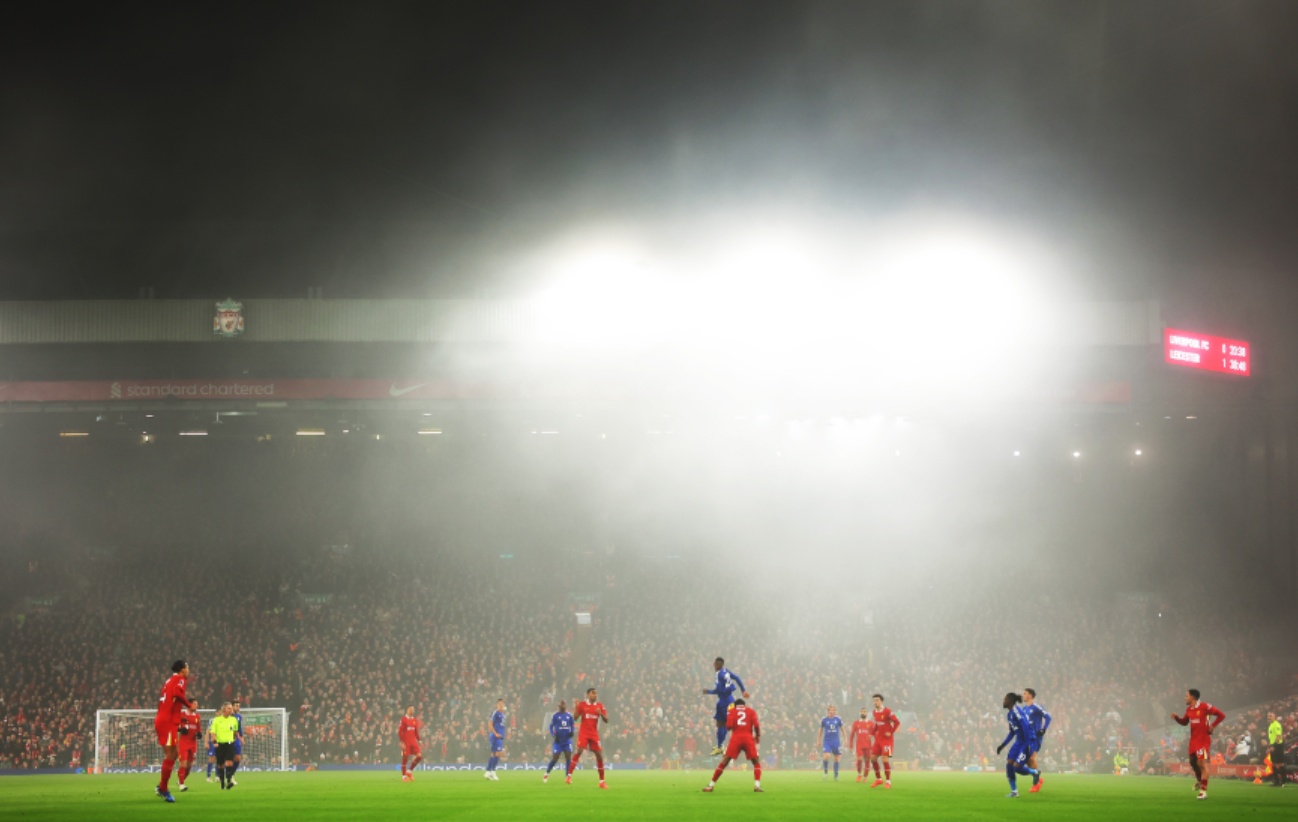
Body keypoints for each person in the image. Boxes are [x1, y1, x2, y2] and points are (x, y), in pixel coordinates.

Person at [1171, 688, 1225, 800]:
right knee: (1192, 762)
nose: (1185, 697)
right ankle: (1200, 781)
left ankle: (1203, 791)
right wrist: (1176, 718)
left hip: (1203, 740)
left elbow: (1221, 715)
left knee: (1202, 763)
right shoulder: (1189, 709)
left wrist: (1212, 726)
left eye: (1186, 695)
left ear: (1193, 697)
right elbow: (1184, 722)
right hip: (1193, 740)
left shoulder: (1205, 707)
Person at [153, 659, 195, 803]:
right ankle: (163, 788)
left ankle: (162, 786)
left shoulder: (169, 680)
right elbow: (177, 694)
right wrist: (189, 705)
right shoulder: (180, 679)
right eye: (188, 667)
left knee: (172, 753)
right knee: (171, 754)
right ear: (183, 669)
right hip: (167, 721)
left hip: (163, 718)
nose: (188, 670)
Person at [703, 698, 763, 792]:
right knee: (756, 761)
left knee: (725, 761)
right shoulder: (751, 711)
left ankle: (710, 785)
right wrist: (758, 736)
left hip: (736, 738)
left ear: (735, 705)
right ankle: (757, 786)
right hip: (748, 738)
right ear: (744, 705)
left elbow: (729, 726)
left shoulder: (732, 711)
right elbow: (756, 725)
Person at [996, 692, 1041, 798]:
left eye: (1005, 699)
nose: (1004, 701)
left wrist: (1028, 743)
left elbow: (1025, 725)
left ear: (1010, 700)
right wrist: (1002, 745)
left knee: (1017, 767)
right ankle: (1014, 791)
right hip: (1019, 741)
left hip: (1026, 741)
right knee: (1009, 764)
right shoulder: (1009, 714)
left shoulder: (1016, 710)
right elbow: (1012, 732)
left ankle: (1034, 772)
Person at [702, 657, 749, 756]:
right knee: (723, 724)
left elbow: (719, 690)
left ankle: (726, 747)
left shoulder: (719, 675)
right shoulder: (726, 671)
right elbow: (737, 678)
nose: (713, 665)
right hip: (730, 700)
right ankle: (721, 746)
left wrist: (708, 691)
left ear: (719, 665)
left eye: (715, 663)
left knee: (722, 725)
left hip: (724, 702)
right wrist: (743, 690)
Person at [566, 687, 609, 789]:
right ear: (588, 694)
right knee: (579, 751)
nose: (595, 695)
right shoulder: (582, 705)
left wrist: (601, 714)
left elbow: (607, 720)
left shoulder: (600, 706)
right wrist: (576, 707)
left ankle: (602, 782)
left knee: (599, 755)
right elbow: (575, 718)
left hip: (594, 734)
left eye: (596, 693)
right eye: (593, 693)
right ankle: (569, 776)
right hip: (584, 733)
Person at [869, 693, 901, 788]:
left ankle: (888, 782)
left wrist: (890, 732)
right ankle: (879, 779)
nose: (875, 702)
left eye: (877, 700)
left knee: (884, 759)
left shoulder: (887, 711)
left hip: (887, 740)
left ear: (881, 701)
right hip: (878, 739)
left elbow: (897, 722)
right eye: (874, 700)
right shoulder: (874, 712)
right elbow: (876, 725)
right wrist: (871, 733)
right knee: (873, 759)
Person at [209, 702, 240, 790]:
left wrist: (233, 739)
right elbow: (213, 732)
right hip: (220, 744)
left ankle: (229, 780)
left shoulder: (234, 720)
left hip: (230, 743)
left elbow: (235, 731)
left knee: (229, 762)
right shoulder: (217, 720)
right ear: (223, 710)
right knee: (221, 765)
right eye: (229, 708)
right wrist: (214, 741)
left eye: (231, 708)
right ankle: (222, 782)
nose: (231, 710)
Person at [543, 700, 575, 783]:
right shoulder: (555, 716)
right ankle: (546, 773)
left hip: (567, 741)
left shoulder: (569, 716)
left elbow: (572, 725)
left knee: (568, 756)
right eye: (561, 705)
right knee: (555, 758)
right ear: (559, 706)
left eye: (564, 705)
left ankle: (567, 777)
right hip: (558, 741)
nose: (563, 706)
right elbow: (551, 727)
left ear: (566, 706)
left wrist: (572, 732)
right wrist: (553, 734)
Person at [1022, 688, 1051, 773]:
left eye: (1025, 693)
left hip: (1036, 736)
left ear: (1030, 695)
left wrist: (1043, 729)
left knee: (1031, 758)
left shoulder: (1037, 707)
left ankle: (1037, 781)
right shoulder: (1024, 709)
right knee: (1028, 760)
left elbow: (1048, 717)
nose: (1023, 695)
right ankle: (1037, 774)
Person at [175, 700, 201, 792]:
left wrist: (199, 733)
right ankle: (181, 784)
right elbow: (175, 725)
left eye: (196, 704)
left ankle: (180, 780)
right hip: (183, 743)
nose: (196, 706)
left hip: (193, 744)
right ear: (189, 705)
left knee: (189, 767)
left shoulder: (197, 716)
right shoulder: (182, 714)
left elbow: (198, 727)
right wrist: (180, 729)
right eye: (194, 704)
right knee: (183, 764)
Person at [816, 705, 844, 781]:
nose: (831, 712)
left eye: (833, 710)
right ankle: (825, 772)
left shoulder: (838, 719)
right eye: (830, 710)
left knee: (836, 759)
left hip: (836, 741)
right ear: (827, 711)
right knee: (827, 756)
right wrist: (818, 740)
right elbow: (820, 730)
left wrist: (846, 739)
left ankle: (836, 776)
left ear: (835, 711)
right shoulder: (824, 720)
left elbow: (842, 729)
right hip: (827, 741)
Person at [849, 707, 875, 783]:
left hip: (868, 746)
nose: (863, 713)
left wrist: (876, 745)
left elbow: (875, 734)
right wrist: (851, 746)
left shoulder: (870, 723)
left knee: (867, 761)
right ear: (860, 713)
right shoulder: (856, 723)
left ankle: (865, 777)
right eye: (862, 711)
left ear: (867, 713)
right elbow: (852, 735)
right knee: (859, 759)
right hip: (859, 745)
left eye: (865, 711)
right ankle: (859, 774)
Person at [398, 705, 423, 781]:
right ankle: (404, 776)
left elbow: (416, 732)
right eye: (411, 709)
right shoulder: (403, 719)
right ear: (407, 710)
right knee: (405, 758)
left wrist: (419, 740)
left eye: (413, 709)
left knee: (419, 756)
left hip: (413, 742)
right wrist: (402, 742)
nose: (412, 711)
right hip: (406, 742)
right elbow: (400, 731)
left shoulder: (414, 720)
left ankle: (409, 771)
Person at [484, 698, 507, 780]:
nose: (501, 705)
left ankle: (488, 771)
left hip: (500, 736)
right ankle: (493, 771)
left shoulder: (503, 714)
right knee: (498, 754)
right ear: (497, 705)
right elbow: (490, 725)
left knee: (494, 754)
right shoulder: (495, 713)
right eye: (499, 704)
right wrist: (495, 733)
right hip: (495, 736)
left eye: (502, 704)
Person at [228, 699, 245, 786]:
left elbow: (239, 728)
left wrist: (241, 737)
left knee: (238, 758)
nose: (238, 707)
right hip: (227, 739)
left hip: (236, 739)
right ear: (232, 707)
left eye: (239, 706)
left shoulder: (238, 716)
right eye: (236, 706)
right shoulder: (227, 716)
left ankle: (231, 775)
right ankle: (226, 776)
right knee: (229, 759)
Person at [1267, 711, 1286, 787]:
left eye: (1271, 716)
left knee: (1279, 764)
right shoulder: (1271, 725)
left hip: (1278, 746)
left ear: (1275, 717)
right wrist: (1270, 745)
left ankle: (1283, 781)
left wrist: (1273, 746)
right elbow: (1272, 737)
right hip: (1273, 745)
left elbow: (1279, 737)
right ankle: (1276, 782)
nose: (1269, 717)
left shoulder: (1276, 725)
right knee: (1274, 763)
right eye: (1268, 716)